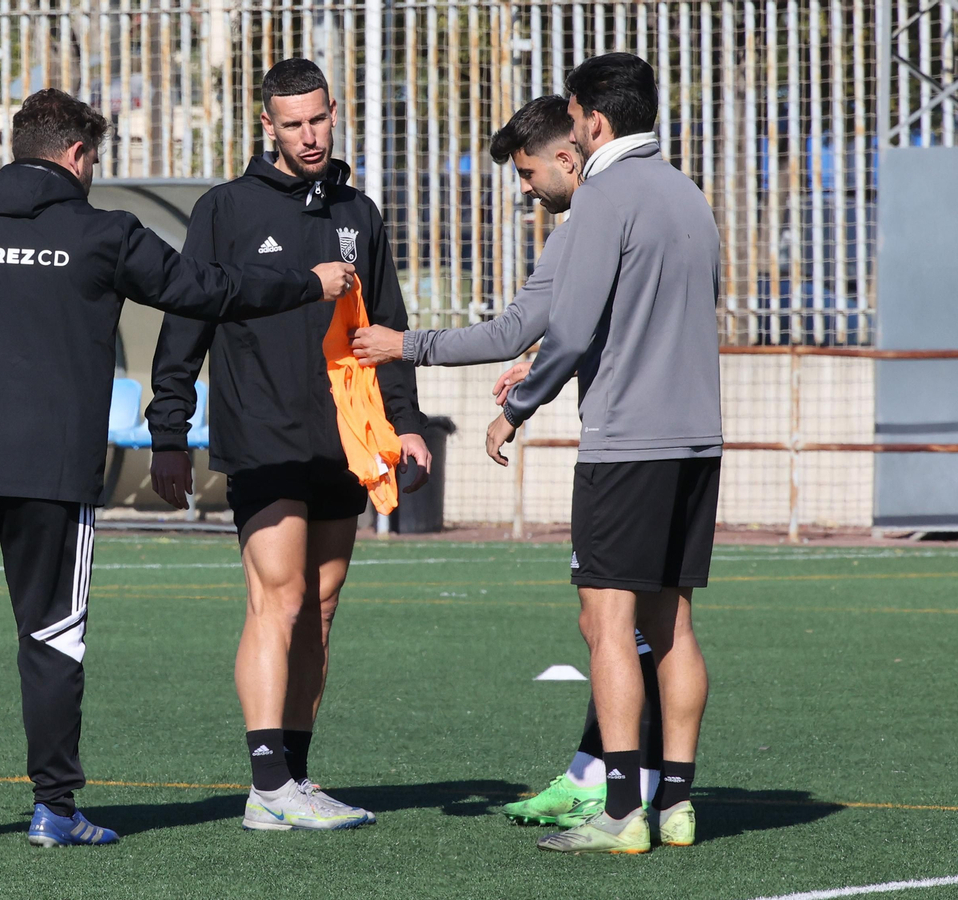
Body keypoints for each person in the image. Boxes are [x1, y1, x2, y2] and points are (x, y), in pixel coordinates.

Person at [0, 87, 357, 848]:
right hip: (52, 473)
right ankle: (53, 810)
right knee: (51, 637)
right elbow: (207, 291)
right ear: (77, 154)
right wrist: (306, 283)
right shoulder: (102, 233)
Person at [349, 95, 665, 829]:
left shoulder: (591, 215)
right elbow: (603, 322)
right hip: (683, 438)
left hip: (626, 446)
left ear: (570, 151)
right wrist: (542, 361)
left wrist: (409, 345)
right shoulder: (667, 199)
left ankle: (624, 790)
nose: (523, 189)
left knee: (613, 623)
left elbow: (517, 325)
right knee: (642, 622)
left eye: (527, 173)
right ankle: (631, 780)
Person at [145, 58, 429, 832]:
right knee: (281, 595)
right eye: (292, 123)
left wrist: (405, 421)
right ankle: (265, 783)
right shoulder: (225, 210)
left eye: (319, 119)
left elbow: (383, 326)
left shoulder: (358, 213)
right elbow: (185, 323)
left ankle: (295, 782)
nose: (309, 135)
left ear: (335, 112)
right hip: (261, 435)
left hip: (343, 438)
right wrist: (169, 430)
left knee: (323, 608)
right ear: (266, 125)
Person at [485, 53, 722, 854]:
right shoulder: (689, 194)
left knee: (610, 626)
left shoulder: (604, 197)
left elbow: (572, 330)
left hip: (628, 445)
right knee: (676, 624)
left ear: (589, 119)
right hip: (698, 441)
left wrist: (517, 403)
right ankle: (678, 805)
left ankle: (621, 810)